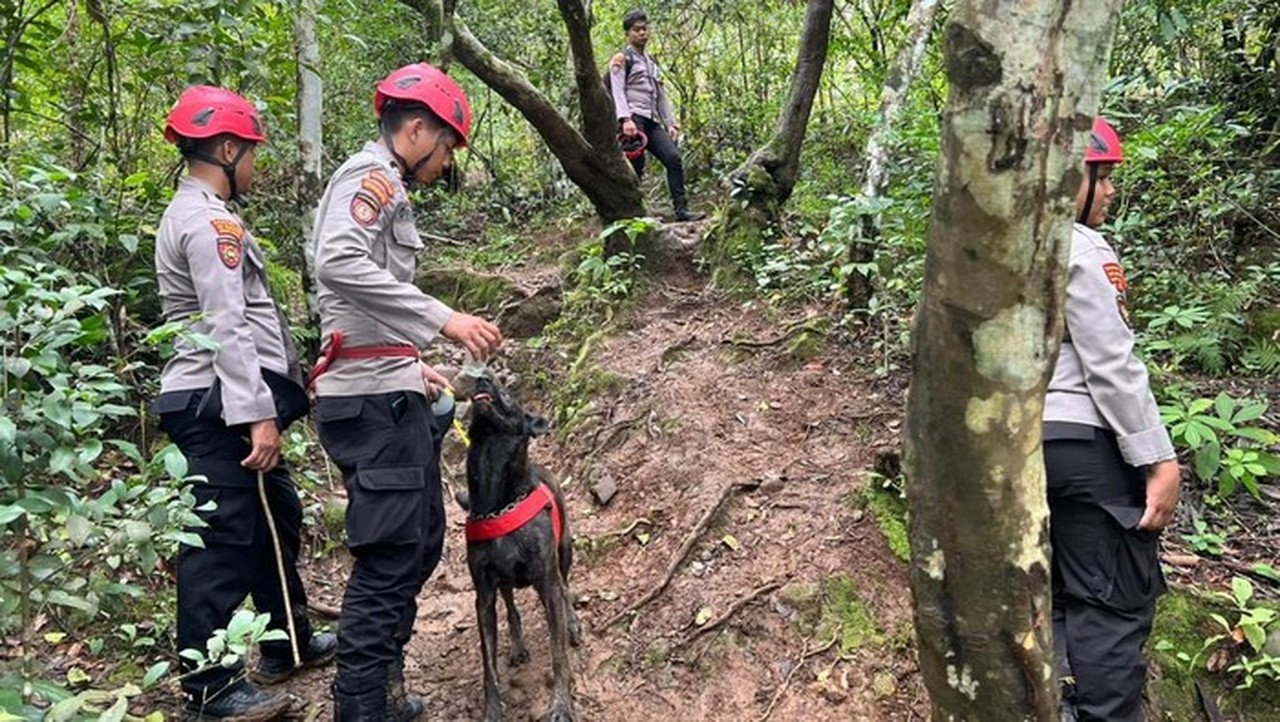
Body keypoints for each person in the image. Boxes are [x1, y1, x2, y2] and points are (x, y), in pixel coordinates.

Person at [309, 62, 503, 721]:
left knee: (419, 542)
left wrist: (407, 360)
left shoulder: (387, 183)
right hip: (367, 401)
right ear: (418, 130)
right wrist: (440, 319)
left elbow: (359, 297)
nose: (445, 162)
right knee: (390, 557)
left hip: (385, 386)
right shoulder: (369, 178)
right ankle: (360, 707)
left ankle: (382, 689)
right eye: (446, 148)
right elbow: (337, 261)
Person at [153, 85, 336, 721]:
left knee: (275, 517)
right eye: (252, 152)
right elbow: (225, 323)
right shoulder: (209, 221)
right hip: (217, 401)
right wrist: (256, 411)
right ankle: (211, 688)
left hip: (221, 398)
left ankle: (288, 641)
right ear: (227, 148)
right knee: (222, 537)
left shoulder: (200, 213)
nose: (256, 166)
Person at [1043, 116, 1181, 721]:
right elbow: (1110, 362)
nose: (1111, 193)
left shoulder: (993, 251)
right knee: (1113, 596)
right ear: (1076, 177)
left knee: (1048, 591)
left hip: (1014, 447)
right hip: (1083, 440)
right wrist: (1158, 456)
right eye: (1104, 179)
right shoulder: (1079, 245)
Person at [609, 8, 704, 222]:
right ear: (628, 34)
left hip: (651, 120)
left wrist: (670, 122)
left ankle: (681, 211)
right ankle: (633, 216)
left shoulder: (652, 63)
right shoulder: (622, 59)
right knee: (636, 166)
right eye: (637, 30)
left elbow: (660, 94)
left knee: (673, 159)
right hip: (633, 118)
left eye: (644, 29)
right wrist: (625, 119)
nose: (642, 33)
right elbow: (617, 90)